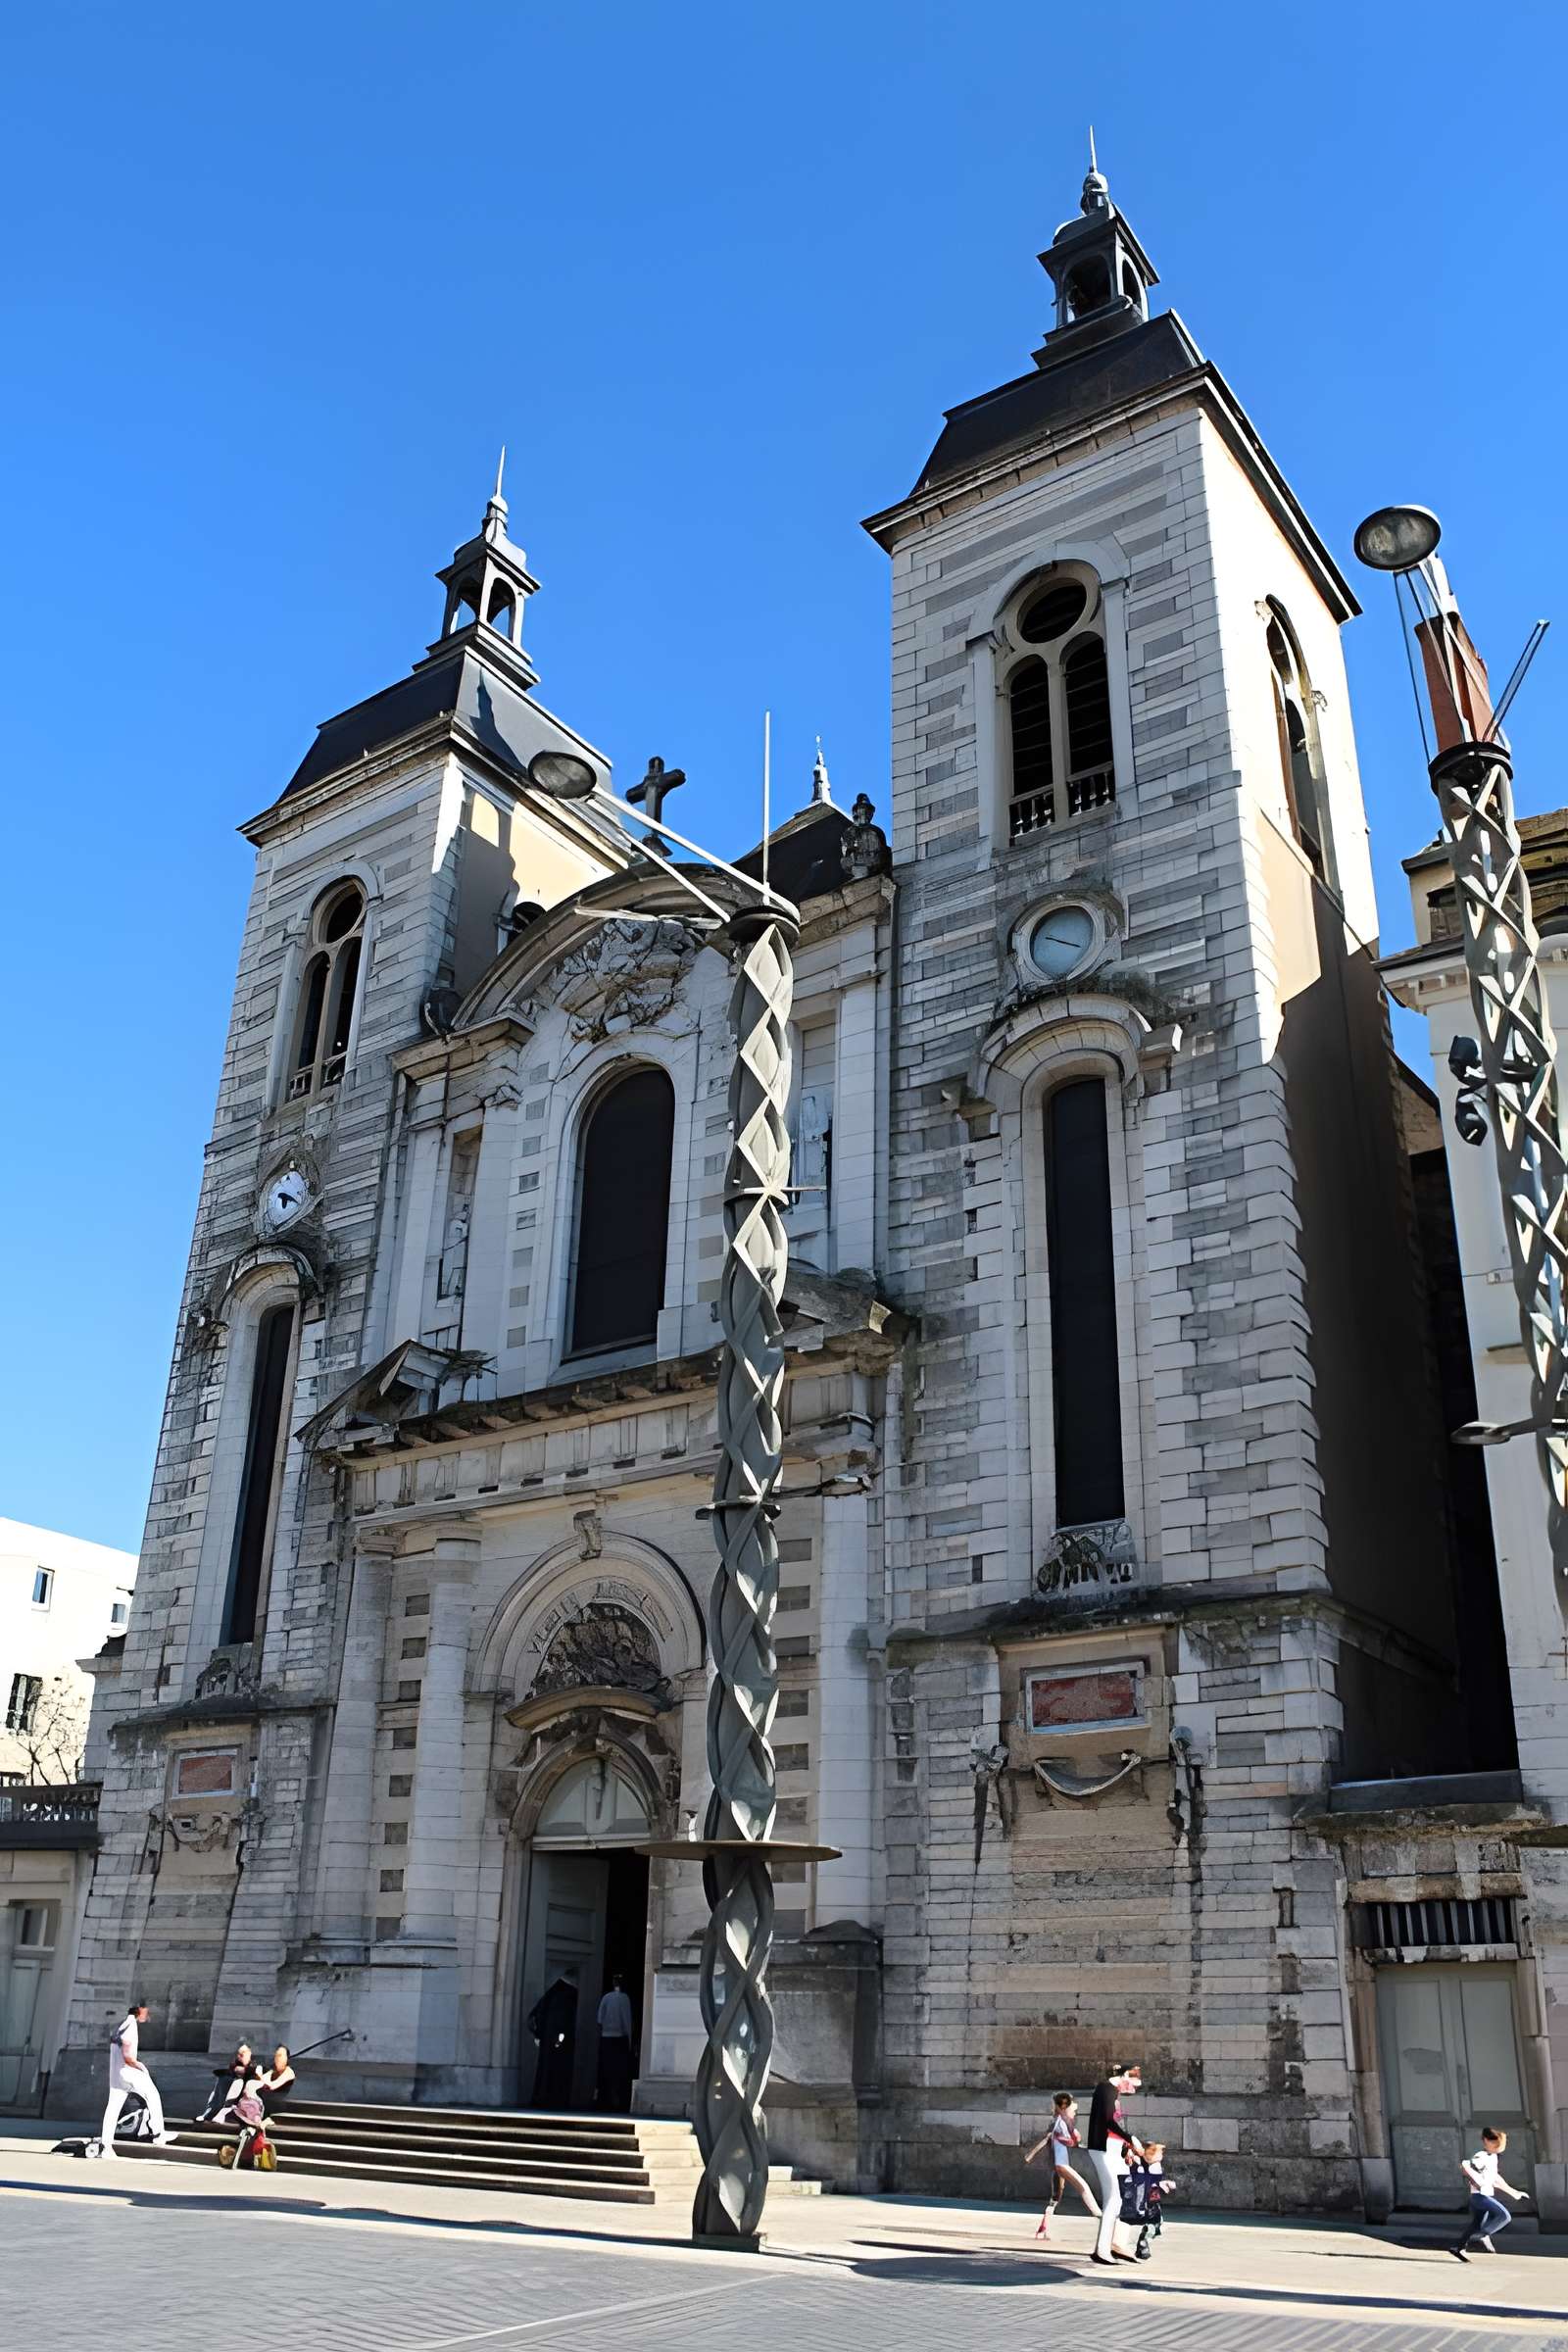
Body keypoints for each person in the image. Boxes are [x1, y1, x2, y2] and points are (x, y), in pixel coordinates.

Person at [1084, 2063, 1145, 2265]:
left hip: (1112, 2148)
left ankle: (1117, 2244)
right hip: (1103, 2149)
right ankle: (1102, 2249)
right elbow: (1107, 2121)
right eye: (1132, 2083)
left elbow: (1112, 2124)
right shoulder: (1106, 2089)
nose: (1133, 2089)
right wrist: (1131, 2138)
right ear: (1124, 2076)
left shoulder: (1111, 2091)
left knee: (1126, 2194)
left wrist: (1126, 2146)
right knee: (1113, 2197)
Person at [100, 2000, 173, 2154]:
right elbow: (127, 2053)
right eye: (146, 2012)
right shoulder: (130, 2026)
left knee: (113, 2107)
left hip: (116, 2074)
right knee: (152, 2095)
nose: (148, 2015)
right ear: (140, 2010)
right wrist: (140, 2066)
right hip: (128, 2071)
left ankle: (105, 2144)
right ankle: (158, 2134)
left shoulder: (120, 2026)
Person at [1025, 2091, 1100, 2238]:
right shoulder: (1060, 2122)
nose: (1075, 2113)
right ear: (1064, 2108)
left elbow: (1059, 2140)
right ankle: (1100, 2215)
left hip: (1059, 2165)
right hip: (1061, 2164)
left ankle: (1043, 2228)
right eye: (1073, 2110)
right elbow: (1056, 2138)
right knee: (1083, 2186)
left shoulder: (1062, 2122)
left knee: (1056, 2197)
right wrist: (1073, 2140)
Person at [1452, 2127, 1530, 2260]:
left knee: (1476, 2224)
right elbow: (1465, 2166)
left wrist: (1514, 2192)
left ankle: (1458, 2248)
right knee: (1504, 2216)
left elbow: (1496, 2179)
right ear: (1487, 2141)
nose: (1498, 2148)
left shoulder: (1493, 2157)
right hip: (1479, 2197)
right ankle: (1482, 2236)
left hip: (1483, 2195)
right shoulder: (1481, 2156)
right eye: (1496, 2145)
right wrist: (1477, 2183)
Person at [528, 1968, 578, 2106]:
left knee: (544, 2071)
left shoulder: (550, 1994)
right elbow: (563, 2023)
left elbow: (533, 2017)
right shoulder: (568, 1995)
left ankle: (541, 2098)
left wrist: (538, 2035)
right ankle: (554, 2099)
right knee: (557, 2072)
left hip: (546, 2039)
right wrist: (559, 2040)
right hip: (558, 2042)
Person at [595, 1974, 636, 2112]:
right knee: (619, 2071)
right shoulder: (625, 1998)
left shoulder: (606, 1997)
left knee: (606, 2070)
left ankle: (605, 2099)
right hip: (620, 2039)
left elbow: (599, 2019)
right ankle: (617, 2100)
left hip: (606, 2037)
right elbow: (627, 2020)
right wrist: (630, 2041)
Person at [199, 2040, 254, 2122]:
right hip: (230, 2089)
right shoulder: (235, 2065)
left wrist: (244, 2070)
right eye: (239, 2053)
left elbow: (252, 2073)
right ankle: (209, 2112)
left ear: (249, 2053)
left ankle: (221, 2113)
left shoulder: (254, 2066)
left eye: (243, 2052)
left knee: (237, 2083)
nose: (240, 2055)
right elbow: (228, 2071)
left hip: (243, 2096)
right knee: (221, 2080)